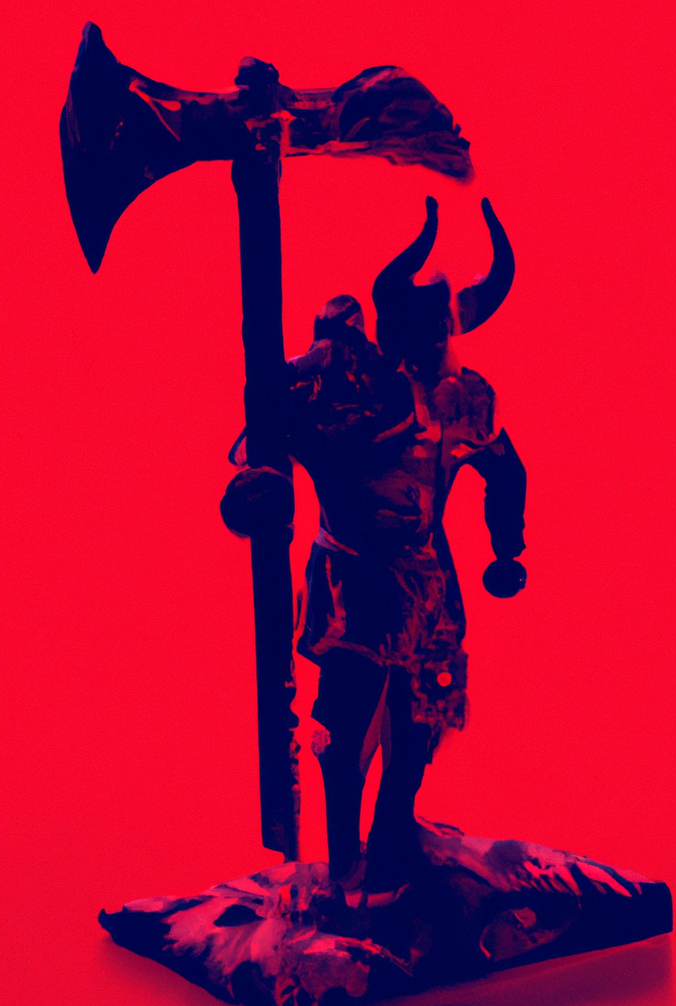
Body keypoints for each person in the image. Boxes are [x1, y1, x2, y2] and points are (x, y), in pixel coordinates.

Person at [224, 198, 526, 899]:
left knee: (423, 717)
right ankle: (342, 864)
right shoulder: (339, 388)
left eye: (440, 332)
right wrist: (260, 485)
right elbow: (265, 439)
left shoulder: (464, 400)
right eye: (418, 332)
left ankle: (391, 837)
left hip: (428, 577)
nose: (431, 349)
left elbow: (506, 468)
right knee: (346, 715)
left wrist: (506, 546)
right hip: (353, 577)